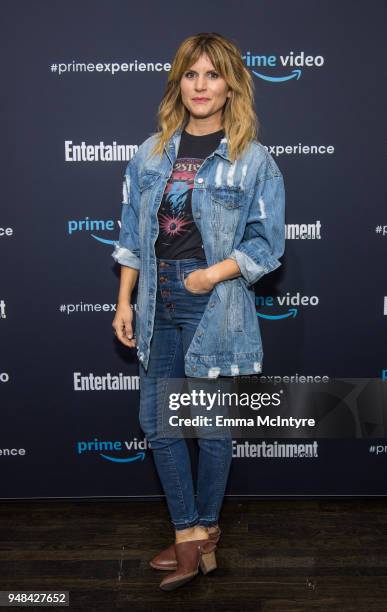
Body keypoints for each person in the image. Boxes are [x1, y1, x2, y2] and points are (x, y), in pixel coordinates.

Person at [111, 32, 285, 591]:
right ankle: (190, 534)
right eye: (191, 74)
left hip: (213, 301)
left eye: (212, 75)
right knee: (157, 425)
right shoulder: (150, 152)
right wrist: (124, 300)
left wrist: (210, 275)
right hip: (156, 298)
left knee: (209, 429)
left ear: (231, 84)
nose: (201, 85)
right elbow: (131, 234)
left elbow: (266, 245)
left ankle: (204, 532)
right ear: (178, 83)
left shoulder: (253, 160)